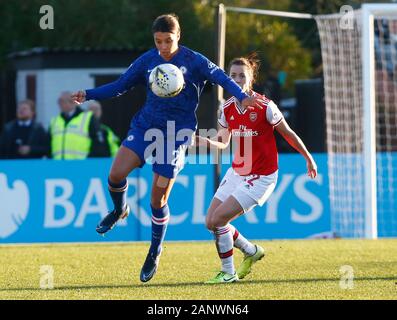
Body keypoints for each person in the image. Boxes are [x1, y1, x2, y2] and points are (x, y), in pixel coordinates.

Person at [71, 13, 262, 283]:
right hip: (146, 127)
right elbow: (120, 86)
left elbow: (221, 77)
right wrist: (88, 94)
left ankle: (154, 250)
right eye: (158, 41)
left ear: (178, 36)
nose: (162, 46)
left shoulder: (194, 61)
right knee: (115, 175)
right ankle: (119, 210)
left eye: (168, 40)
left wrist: (242, 96)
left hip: (176, 135)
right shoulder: (148, 61)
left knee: (156, 201)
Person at [195, 55, 318, 284]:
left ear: (251, 79)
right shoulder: (227, 107)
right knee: (210, 222)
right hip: (237, 172)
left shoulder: (264, 106)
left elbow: (288, 134)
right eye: (232, 75)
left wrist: (308, 158)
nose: (237, 79)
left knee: (220, 220)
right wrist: (203, 141)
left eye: (242, 75)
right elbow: (223, 142)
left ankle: (228, 272)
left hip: (262, 176)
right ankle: (251, 251)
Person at [49, 92, 106, 160]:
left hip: (81, 166)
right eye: (59, 101)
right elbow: (48, 144)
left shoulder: (88, 118)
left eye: (61, 101)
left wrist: (90, 161)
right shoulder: (55, 121)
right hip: (58, 166)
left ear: (72, 102)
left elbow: (98, 143)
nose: (59, 104)